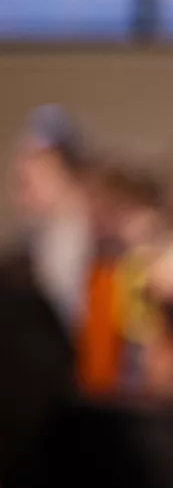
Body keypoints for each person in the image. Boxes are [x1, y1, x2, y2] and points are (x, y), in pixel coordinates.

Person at [3, 105, 93, 337]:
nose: (18, 196)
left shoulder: (102, 244)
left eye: (27, 182)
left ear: (68, 172)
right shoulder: (26, 250)